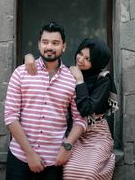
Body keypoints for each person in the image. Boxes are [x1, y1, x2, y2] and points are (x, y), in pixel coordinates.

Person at [25, 37, 118, 180]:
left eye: (88, 58)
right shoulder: (67, 73)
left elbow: (86, 109)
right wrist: (29, 57)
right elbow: (45, 68)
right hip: (74, 135)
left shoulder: (103, 79)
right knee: (70, 171)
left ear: (97, 62)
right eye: (80, 53)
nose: (80, 59)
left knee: (89, 173)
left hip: (96, 134)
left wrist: (80, 81)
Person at [4, 22, 87, 180]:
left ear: (64, 46)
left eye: (55, 43)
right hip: (19, 157)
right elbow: (10, 116)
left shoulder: (72, 79)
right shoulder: (21, 73)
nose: (49, 46)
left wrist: (67, 146)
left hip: (55, 161)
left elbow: (80, 120)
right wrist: (30, 154)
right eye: (45, 42)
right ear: (39, 44)